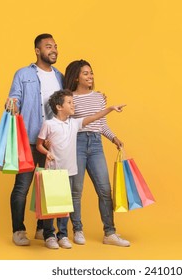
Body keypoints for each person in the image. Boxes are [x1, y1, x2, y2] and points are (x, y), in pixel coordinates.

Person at [36, 89, 126, 249]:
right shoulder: (49, 124)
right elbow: (39, 144)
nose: (73, 105)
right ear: (59, 106)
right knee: (51, 204)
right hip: (53, 171)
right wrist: (47, 152)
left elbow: (95, 117)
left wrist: (110, 109)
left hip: (69, 170)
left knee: (65, 203)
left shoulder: (74, 123)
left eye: (73, 102)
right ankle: (49, 235)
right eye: (70, 102)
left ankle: (62, 235)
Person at [63, 59, 130, 247]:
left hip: (96, 144)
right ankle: (77, 230)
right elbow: (66, 124)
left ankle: (110, 233)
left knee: (105, 190)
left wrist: (114, 138)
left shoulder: (99, 97)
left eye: (91, 72)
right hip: (76, 144)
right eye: (85, 73)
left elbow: (101, 124)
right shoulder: (69, 98)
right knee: (76, 191)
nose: (90, 76)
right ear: (76, 77)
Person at [7, 33, 63, 246]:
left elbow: (67, 103)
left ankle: (43, 229)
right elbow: (15, 97)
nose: (53, 50)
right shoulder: (23, 74)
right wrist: (11, 102)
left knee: (48, 186)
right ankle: (18, 230)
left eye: (55, 46)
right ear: (37, 51)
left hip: (52, 142)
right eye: (48, 46)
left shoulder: (60, 76)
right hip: (30, 138)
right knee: (23, 186)